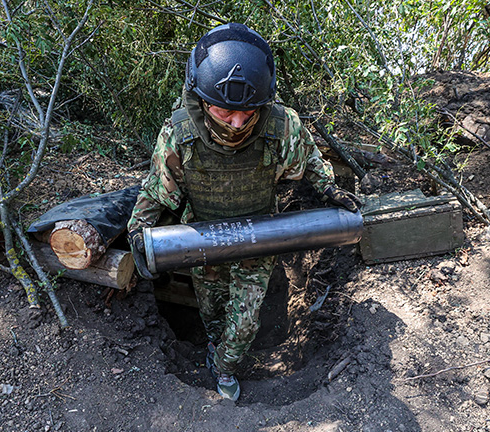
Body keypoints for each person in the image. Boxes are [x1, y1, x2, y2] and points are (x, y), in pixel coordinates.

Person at [127, 22, 360, 401]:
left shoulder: (281, 127)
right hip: (201, 241)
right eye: (225, 111)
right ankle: (213, 349)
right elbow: (156, 190)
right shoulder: (179, 136)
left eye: (247, 112)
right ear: (202, 101)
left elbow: (310, 157)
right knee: (213, 311)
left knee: (246, 319)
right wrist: (138, 231)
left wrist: (330, 189)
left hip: (258, 237)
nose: (237, 123)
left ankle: (224, 367)